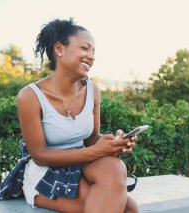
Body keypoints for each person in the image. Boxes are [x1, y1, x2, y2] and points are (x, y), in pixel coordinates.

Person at [17, 18, 139, 213]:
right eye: (85, 48)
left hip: (81, 164)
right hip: (46, 173)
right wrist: (96, 151)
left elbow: (91, 140)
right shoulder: (30, 96)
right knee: (126, 209)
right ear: (59, 49)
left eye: (93, 52)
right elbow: (40, 156)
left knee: (115, 167)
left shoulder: (93, 90)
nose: (91, 56)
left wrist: (113, 143)